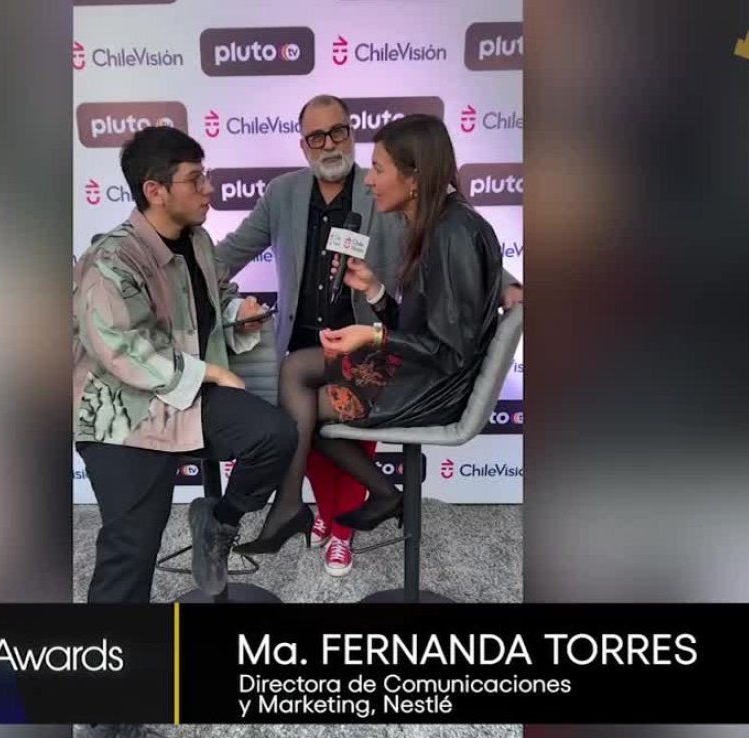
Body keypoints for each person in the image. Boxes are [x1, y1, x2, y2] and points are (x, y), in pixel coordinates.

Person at [216, 95, 521, 575]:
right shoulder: (285, 193)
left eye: (338, 132)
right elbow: (232, 250)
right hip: (332, 341)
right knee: (297, 387)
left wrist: (508, 284)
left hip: (409, 370)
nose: (330, 144)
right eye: (317, 136)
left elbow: (455, 301)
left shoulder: (427, 217)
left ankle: (324, 517)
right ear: (303, 145)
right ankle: (328, 503)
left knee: (301, 412)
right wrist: (181, 278)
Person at [71, 126, 296, 738]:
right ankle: (104, 721)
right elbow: (121, 347)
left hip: (187, 394)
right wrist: (208, 372)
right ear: (154, 189)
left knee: (275, 436)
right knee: (129, 559)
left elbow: (208, 303)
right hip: (123, 418)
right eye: (196, 179)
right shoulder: (111, 260)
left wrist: (237, 314)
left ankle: (216, 522)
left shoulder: (196, 240)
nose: (209, 189)